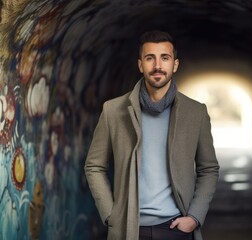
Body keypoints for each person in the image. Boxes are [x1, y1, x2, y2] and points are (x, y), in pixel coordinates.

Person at [84, 30, 219, 240]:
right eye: (150, 58)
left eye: (164, 58)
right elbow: (94, 165)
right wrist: (111, 215)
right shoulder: (113, 110)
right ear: (140, 65)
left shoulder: (196, 112)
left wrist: (194, 216)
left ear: (175, 64)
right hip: (129, 229)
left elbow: (208, 168)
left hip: (177, 229)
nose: (157, 66)